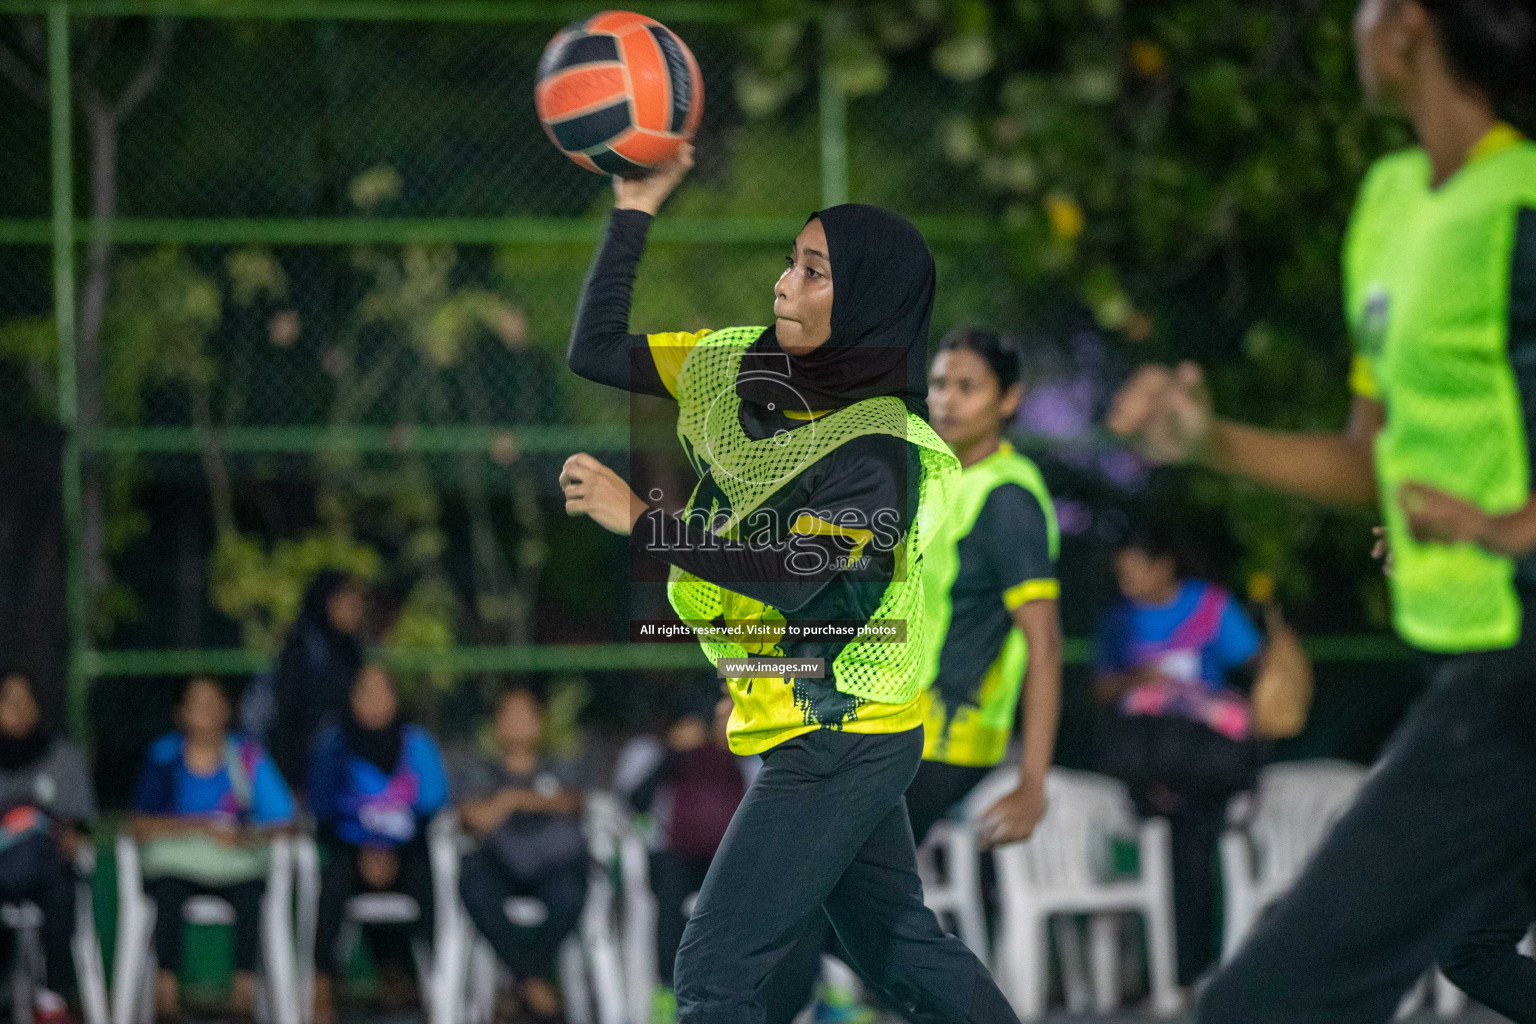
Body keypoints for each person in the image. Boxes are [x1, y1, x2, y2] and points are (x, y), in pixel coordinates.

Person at [1107, 0, 1536, 1018]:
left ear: (1408, 27)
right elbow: (1367, 459)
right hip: (1479, 667)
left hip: (1517, 671)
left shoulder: (1522, 203)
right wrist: (1206, 442)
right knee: (1469, 947)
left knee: (1265, 1003)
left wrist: (1501, 527)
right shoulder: (1393, 202)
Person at [559, 142, 1018, 1024]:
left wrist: (645, 520)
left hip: (843, 732)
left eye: (815, 274)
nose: (784, 284)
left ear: (869, 305)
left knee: (712, 973)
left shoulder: (878, 452)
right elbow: (595, 349)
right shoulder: (733, 362)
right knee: (896, 946)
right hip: (813, 720)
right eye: (791, 261)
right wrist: (634, 211)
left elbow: (794, 581)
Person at [1093, 523, 1267, 987]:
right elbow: (1101, 688)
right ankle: (1175, 973)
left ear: (1163, 565)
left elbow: (1254, 665)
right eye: (1121, 574)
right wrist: (1139, 680)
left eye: (1134, 572)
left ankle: (1195, 971)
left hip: (1202, 764)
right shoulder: (1119, 618)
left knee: (1195, 853)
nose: (1127, 583)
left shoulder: (1210, 605)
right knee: (1169, 857)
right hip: (1148, 764)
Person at [131, 676, 294, 1022]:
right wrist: (200, 828)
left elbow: (286, 821)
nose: (205, 710)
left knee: (251, 896)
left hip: (236, 869)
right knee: (169, 892)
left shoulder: (248, 757)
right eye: (196, 703)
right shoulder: (163, 757)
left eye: (213, 702)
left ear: (226, 711)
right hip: (176, 869)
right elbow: (139, 825)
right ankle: (166, 995)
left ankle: (244, 995)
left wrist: (244, 836)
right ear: (181, 714)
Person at [307, 664, 448, 1024]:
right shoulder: (332, 746)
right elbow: (322, 815)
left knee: (425, 870)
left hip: (407, 849)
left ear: (396, 699)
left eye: (381, 692)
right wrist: (366, 847)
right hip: (350, 848)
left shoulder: (416, 745)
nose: (373, 701)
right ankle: (322, 984)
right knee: (335, 875)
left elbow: (431, 812)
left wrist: (391, 850)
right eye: (364, 692)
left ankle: (438, 984)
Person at [630, 695, 783, 1024]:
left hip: (734, 860)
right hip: (680, 858)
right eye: (718, 711)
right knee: (669, 898)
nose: (724, 718)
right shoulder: (679, 757)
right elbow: (636, 801)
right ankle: (665, 993)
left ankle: (747, 993)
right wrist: (672, 752)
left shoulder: (754, 753)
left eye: (731, 710)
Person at [454, 687, 588, 1024]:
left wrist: (514, 799)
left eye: (524, 714)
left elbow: (574, 804)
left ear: (540, 724)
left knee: (572, 894)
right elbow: (473, 817)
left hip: (552, 867)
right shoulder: (478, 770)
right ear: (496, 726)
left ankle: (521, 984)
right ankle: (534, 984)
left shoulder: (560, 766)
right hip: (498, 866)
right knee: (474, 888)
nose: (516, 723)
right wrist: (516, 801)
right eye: (508, 715)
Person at [0, 670, 96, 1024]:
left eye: (28, 701)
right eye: (9, 701)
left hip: (48, 872)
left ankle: (53, 996)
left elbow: (80, 829)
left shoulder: (63, 758)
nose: (19, 710)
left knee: (60, 880)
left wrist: (63, 836)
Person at [269, 570, 367, 790]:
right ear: (327, 602)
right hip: (304, 765)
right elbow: (288, 714)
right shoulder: (302, 645)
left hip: (340, 763)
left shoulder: (350, 647)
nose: (356, 611)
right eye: (348, 604)